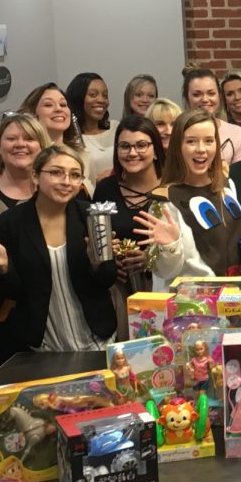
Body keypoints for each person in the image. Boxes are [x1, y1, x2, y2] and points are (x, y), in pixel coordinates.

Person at [0, 145, 117, 352]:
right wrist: (5, 267)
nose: (66, 181)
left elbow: (107, 279)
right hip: (42, 344)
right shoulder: (11, 223)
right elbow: (17, 293)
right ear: (36, 176)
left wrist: (97, 263)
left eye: (75, 175)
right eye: (56, 173)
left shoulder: (92, 216)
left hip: (97, 337)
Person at [0, 114, 51, 370]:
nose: (20, 144)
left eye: (29, 138)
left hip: (53, 308)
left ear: (42, 146)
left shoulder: (60, 185)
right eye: (11, 138)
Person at [133, 109, 241, 288]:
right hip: (195, 307)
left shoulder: (226, 185)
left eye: (209, 141)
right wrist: (171, 245)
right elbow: (164, 271)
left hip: (235, 297)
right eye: (191, 141)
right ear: (178, 146)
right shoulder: (165, 201)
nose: (201, 149)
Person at [93, 115, 165, 337]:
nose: (132, 153)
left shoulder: (172, 189)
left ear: (156, 150)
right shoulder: (105, 188)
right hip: (118, 293)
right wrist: (110, 261)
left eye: (141, 145)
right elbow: (96, 239)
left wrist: (149, 259)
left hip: (162, 288)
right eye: (124, 146)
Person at [181, 66, 241, 164]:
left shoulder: (236, 133)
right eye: (197, 94)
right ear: (187, 98)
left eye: (211, 93)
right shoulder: (177, 131)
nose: (205, 99)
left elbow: (239, 175)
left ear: (219, 96)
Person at [66, 72, 118, 184]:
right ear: (78, 98)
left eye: (105, 95)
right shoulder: (70, 138)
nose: (101, 100)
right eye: (93, 95)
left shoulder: (116, 128)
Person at [19, 82, 86, 154]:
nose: (59, 109)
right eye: (48, 105)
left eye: (63, 104)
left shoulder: (81, 155)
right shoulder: (25, 155)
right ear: (32, 114)